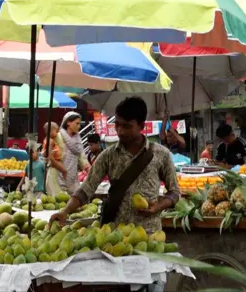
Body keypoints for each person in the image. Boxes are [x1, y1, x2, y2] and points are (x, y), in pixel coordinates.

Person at [50, 96, 181, 234]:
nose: (120, 131)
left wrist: (158, 206)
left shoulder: (161, 154)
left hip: (150, 234)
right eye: (117, 124)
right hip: (115, 237)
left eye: (127, 126)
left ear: (141, 126)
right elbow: (86, 189)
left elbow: (174, 192)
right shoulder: (108, 155)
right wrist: (65, 211)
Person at [59, 112, 89, 194]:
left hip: (73, 179)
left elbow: (82, 157)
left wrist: (90, 170)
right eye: (77, 123)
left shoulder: (78, 140)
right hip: (59, 178)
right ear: (68, 122)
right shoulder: (58, 137)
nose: (79, 126)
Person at [43, 121, 66, 195]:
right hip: (54, 166)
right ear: (50, 131)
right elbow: (47, 155)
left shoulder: (55, 139)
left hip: (57, 165)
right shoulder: (49, 141)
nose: (58, 132)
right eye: (56, 130)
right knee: (55, 188)